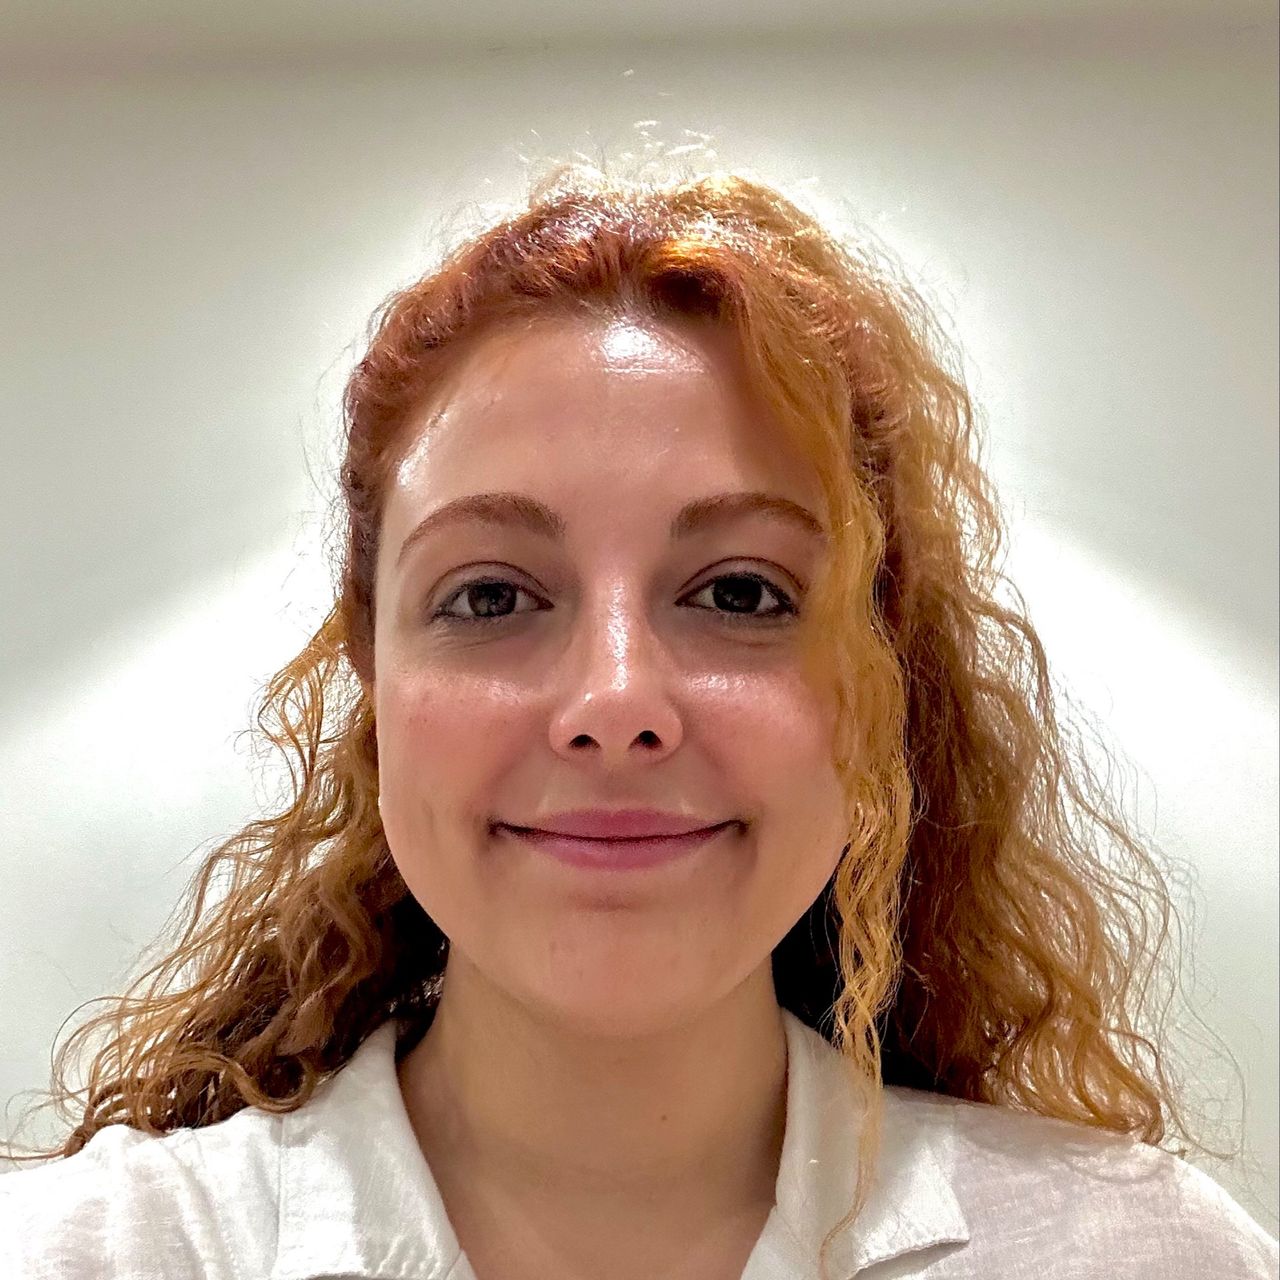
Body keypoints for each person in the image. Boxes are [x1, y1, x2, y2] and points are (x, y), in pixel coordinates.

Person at [1, 164, 1276, 1280]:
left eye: (740, 593)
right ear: (371, 677)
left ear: (878, 684)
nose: (614, 702)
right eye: (489, 595)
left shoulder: (1135, 1253)